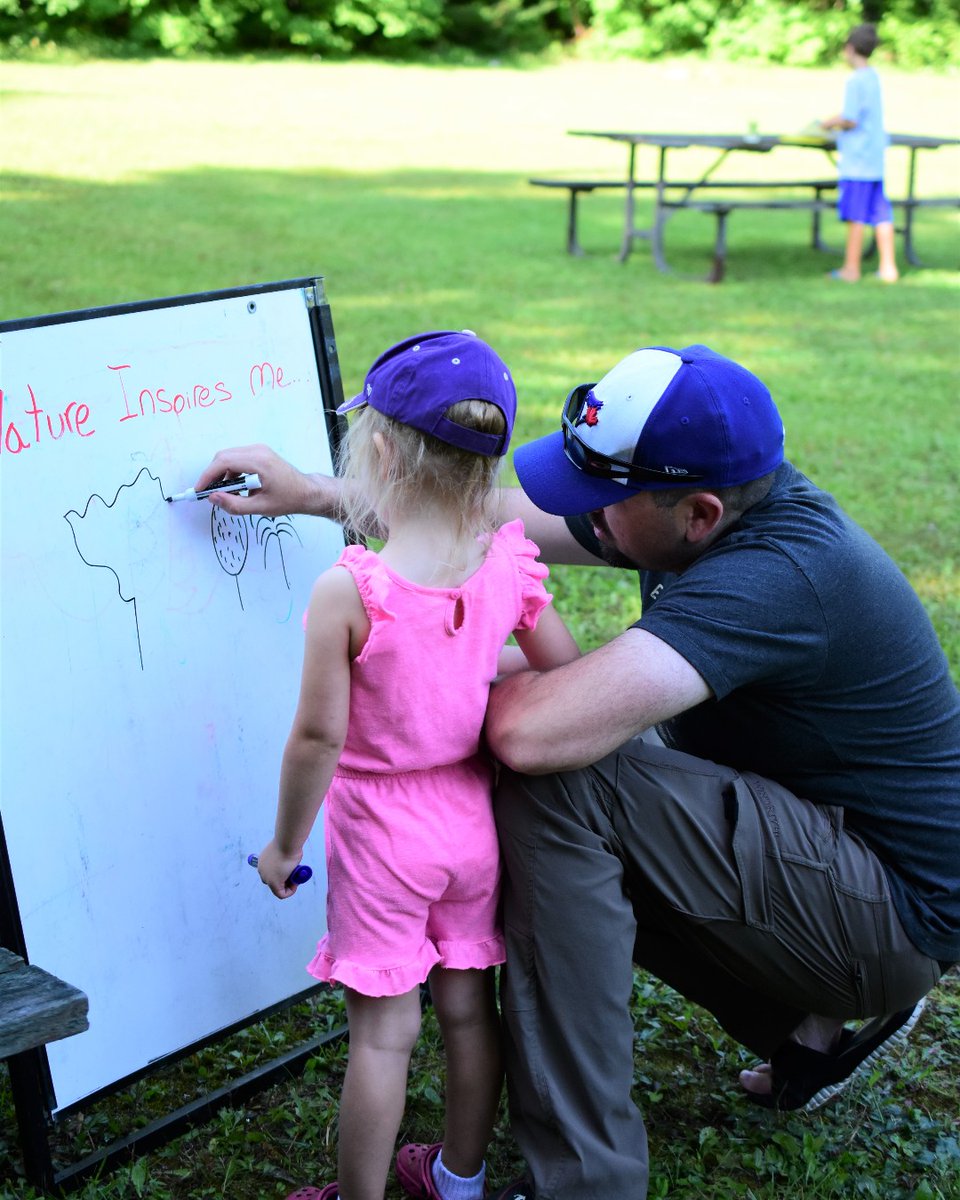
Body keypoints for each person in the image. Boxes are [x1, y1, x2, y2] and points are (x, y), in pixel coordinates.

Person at [199, 342, 959, 1200]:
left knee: (564, 779)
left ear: (699, 515)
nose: (581, 517)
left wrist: (412, 688)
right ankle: (803, 1029)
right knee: (595, 761)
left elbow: (530, 734)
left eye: (601, 499)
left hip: (884, 913)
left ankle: (587, 1182)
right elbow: (485, 518)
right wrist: (317, 493)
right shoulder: (706, 504)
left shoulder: (777, 576)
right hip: (834, 857)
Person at [252, 330, 579, 1200]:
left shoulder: (353, 591)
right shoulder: (508, 560)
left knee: (384, 1035)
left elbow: (318, 740)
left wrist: (284, 849)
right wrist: (470, 667)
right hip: (472, 824)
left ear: (383, 450)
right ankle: (457, 1179)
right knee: (470, 1009)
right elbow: (559, 662)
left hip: (382, 834)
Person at [820, 22, 899, 282]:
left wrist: (829, 122)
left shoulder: (855, 80)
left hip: (858, 161)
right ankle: (888, 268)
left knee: (856, 215)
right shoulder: (874, 77)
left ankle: (851, 268)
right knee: (881, 213)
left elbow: (851, 119)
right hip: (875, 158)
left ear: (850, 48)